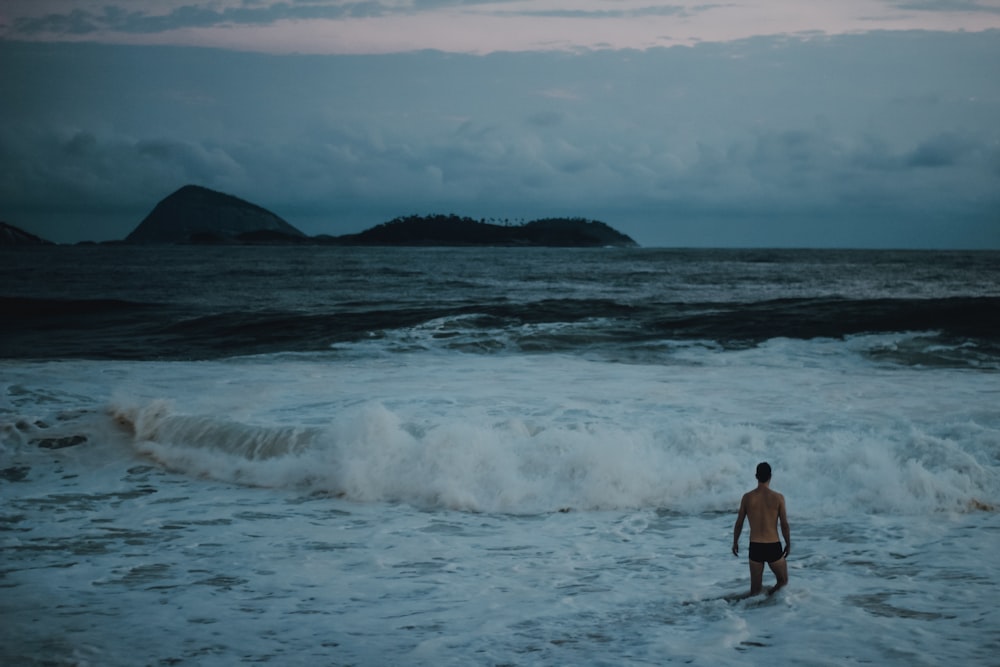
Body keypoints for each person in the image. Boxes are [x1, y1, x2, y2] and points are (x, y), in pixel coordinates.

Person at [732, 461, 790, 595]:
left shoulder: (747, 498)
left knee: (755, 591)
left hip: (755, 546)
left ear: (756, 476)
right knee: (783, 581)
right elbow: (784, 524)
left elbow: (739, 523)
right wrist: (788, 543)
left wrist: (735, 542)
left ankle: (754, 609)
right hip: (773, 545)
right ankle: (768, 601)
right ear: (770, 476)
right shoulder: (778, 498)